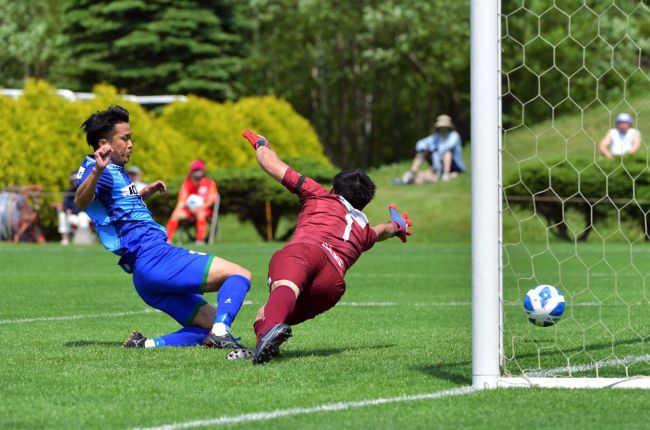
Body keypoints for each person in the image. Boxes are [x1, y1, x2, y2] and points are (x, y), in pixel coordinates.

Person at [74, 105, 251, 350]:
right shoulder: (99, 169)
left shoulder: (117, 173)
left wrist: (144, 193)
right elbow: (80, 200)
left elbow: (121, 209)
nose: (131, 144)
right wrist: (96, 170)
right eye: (124, 138)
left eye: (130, 138)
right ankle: (222, 332)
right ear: (104, 143)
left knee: (207, 325)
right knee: (239, 274)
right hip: (155, 256)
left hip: (144, 275)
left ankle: (145, 344)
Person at [230, 130, 413, 364]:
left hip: (308, 252)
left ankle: (269, 332)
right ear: (364, 202)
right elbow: (382, 231)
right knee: (265, 313)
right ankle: (264, 346)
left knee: (283, 289)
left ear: (335, 189)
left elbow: (269, 162)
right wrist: (397, 225)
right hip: (332, 284)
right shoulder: (363, 229)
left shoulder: (319, 194)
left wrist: (262, 144)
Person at [394, 114, 466, 184]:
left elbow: (447, 147)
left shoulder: (454, 135)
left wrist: (434, 149)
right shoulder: (436, 136)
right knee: (421, 153)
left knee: (447, 152)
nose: (443, 128)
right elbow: (420, 144)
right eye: (441, 126)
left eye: (444, 126)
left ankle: (446, 174)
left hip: (454, 165)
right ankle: (412, 173)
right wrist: (425, 148)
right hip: (438, 164)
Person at [166, 160, 218, 245]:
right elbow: (182, 201)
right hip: (189, 210)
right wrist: (177, 210)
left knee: (200, 214)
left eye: (199, 170)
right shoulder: (187, 183)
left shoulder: (210, 183)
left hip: (204, 210)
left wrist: (200, 208)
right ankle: (168, 240)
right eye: (195, 170)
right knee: (176, 214)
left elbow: (211, 200)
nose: (197, 172)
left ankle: (199, 240)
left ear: (203, 170)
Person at [58, 170, 92, 245]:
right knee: (62, 215)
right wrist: (66, 210)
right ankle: (65, 239)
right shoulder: (69, 192)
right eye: (73, 181)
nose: (75, 182)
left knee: (82, 216)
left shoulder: (86, 190)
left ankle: (85, 240)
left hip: (84, 215)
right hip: (73, 216)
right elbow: (65, 206)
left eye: (76, 180)